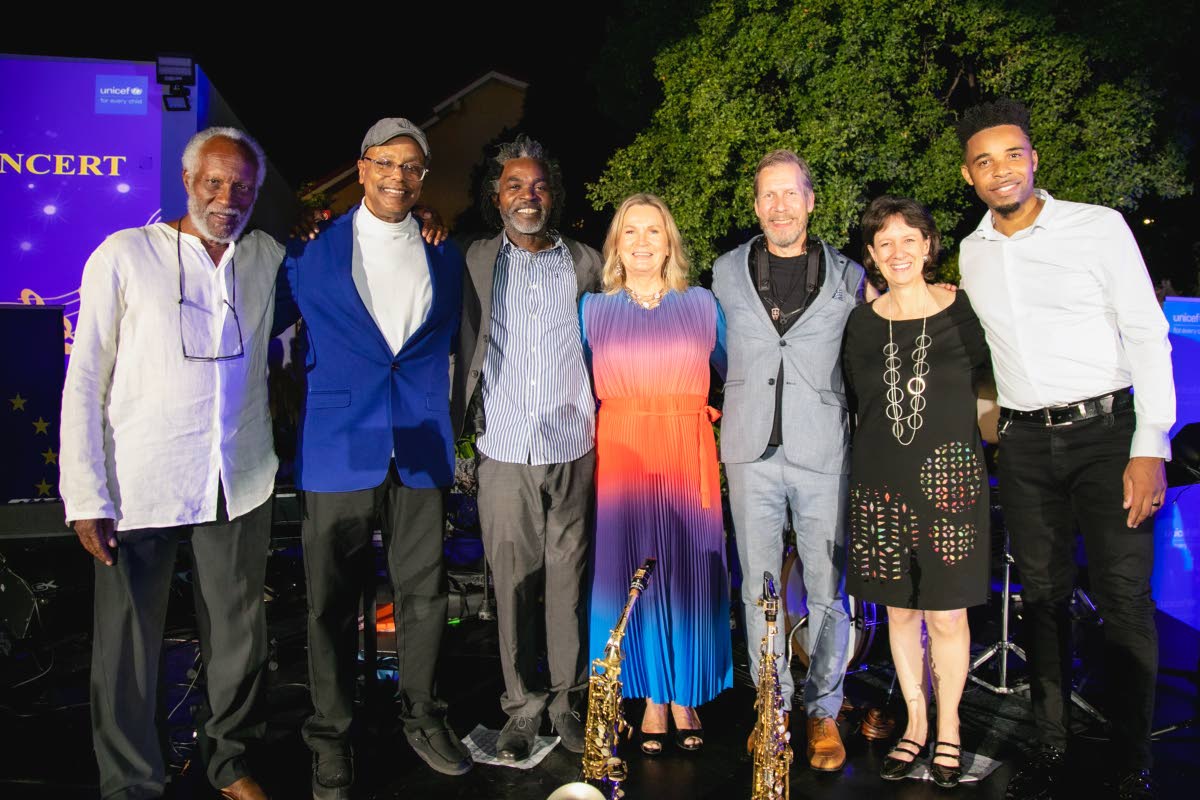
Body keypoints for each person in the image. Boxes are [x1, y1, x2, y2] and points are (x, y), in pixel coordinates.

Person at [956, 99, 1174, 800]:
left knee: (1123, 599)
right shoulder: (972, 251)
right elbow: (986, 354)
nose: (1001, 171)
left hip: (1108, 436)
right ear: (969, 175)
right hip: (1022, 445)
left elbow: (1147, 333)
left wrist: (1150, 445)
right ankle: (1050, 742)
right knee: (1042, 599)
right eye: (985, 161)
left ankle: (1130, 758)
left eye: (1012, 154)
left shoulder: (1097, 228)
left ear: (1034, 159)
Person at [60, 127, 278, 800]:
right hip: (139, 483)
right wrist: (84, 492)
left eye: (242, 185)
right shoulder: (126, 254)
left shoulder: (265, 257)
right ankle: (131, 782)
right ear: (187, 182)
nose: (228, 196)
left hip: (236, 480)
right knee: (126, 648)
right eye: (214, 182)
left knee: (239, 639)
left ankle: (228, 761)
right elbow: (86, 373)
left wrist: (425, 221)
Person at [274, 118, 472, 797]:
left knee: (425, 597)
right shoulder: (308, 252)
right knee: (329, 604)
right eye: (386, 163)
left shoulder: (447, 252)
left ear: (423, 177)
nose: (399, 176)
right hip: (338, 449)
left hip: (418, 445)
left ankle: (421, 714)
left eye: (412, 166)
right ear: (360, 168)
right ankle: (330, 735)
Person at [711, 149, 864, 771]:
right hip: (750, 451)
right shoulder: (723, 273)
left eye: (790, 194)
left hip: (823, 448)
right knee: (759, 587)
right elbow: (716, 349)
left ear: (810, 201)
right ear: (756, 206)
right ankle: (772, 707)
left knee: (827, 589)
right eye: (768, 196)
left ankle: (824, 710)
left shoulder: (852, 276)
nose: (779, 206)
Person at [452, 135, 602, 761]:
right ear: (497, 196)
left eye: (538, 185)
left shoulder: (589, 262)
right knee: (511, 585)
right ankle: (522, 706)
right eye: (515, 185)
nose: (528, 195)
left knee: (569, 582)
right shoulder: (474, 261)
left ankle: (567, 703)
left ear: (554, 193)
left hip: (576, 446)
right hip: (505, 450)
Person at [842, 196, 992, 789]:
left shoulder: (964, 312)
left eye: (909, 239)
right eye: (885, 243)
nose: (897, 251)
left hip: (951, 482)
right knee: (901, 612)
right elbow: (860, 404)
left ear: (929, 246)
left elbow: (991, 384)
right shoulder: (861, 323)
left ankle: (949, 727)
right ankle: (915, 721)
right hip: (880, 483)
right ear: (872, 256)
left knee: (948, 615)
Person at [582, 193, 732, 754]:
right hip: (623, 452)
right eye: (630, 232)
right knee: (631, 574)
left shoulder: (702, 305)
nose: (642, 242)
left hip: (685, 447)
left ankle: (684, 691)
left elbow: (735, 371)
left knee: (687, 569)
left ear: (670, 241)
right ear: (616, 244)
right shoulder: (591, 311)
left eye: (653, 231)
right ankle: (648, 694)